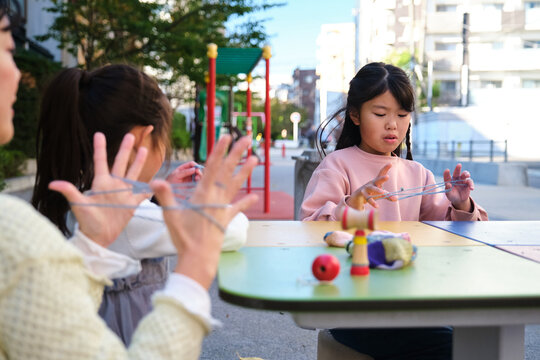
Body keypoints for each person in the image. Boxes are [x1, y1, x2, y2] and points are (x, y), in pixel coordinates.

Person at [1, 1, 259, 357]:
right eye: (7, 48)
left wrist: (148, 206)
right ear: (141, 138)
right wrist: (196, 259)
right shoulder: (11, 231)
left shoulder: (96, 204)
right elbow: (229, 228)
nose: (15, 72)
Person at [30, 64, 249, 344]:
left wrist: (155, 199)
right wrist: (211, 200)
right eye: (165, 136)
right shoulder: (128, 217)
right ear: (140, 139)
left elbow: (137, 225)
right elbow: (230, 229)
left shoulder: (82, 196)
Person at [301, 62, 488, 359]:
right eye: (380, 113)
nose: (393, 124)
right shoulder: (337, 165)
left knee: (475, 335)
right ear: (355, 115)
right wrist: (351, 205)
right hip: (355, 306)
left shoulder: (418, 173)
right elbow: (309, 227)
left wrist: (460, 203)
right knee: (459, 346)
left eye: (402, 115)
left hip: (411, 302)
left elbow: (454, 235)